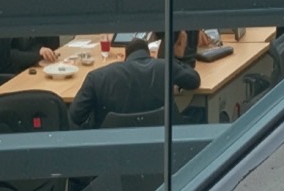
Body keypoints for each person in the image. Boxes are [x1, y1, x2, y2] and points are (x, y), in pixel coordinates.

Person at [68, 39, 200, 128]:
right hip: (160, 144)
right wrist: (172, 61)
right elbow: (194, 80)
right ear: (149, 54)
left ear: (126, 57)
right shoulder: (164, 67)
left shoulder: (97, 77)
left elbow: (76, 116)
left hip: (111, 150)